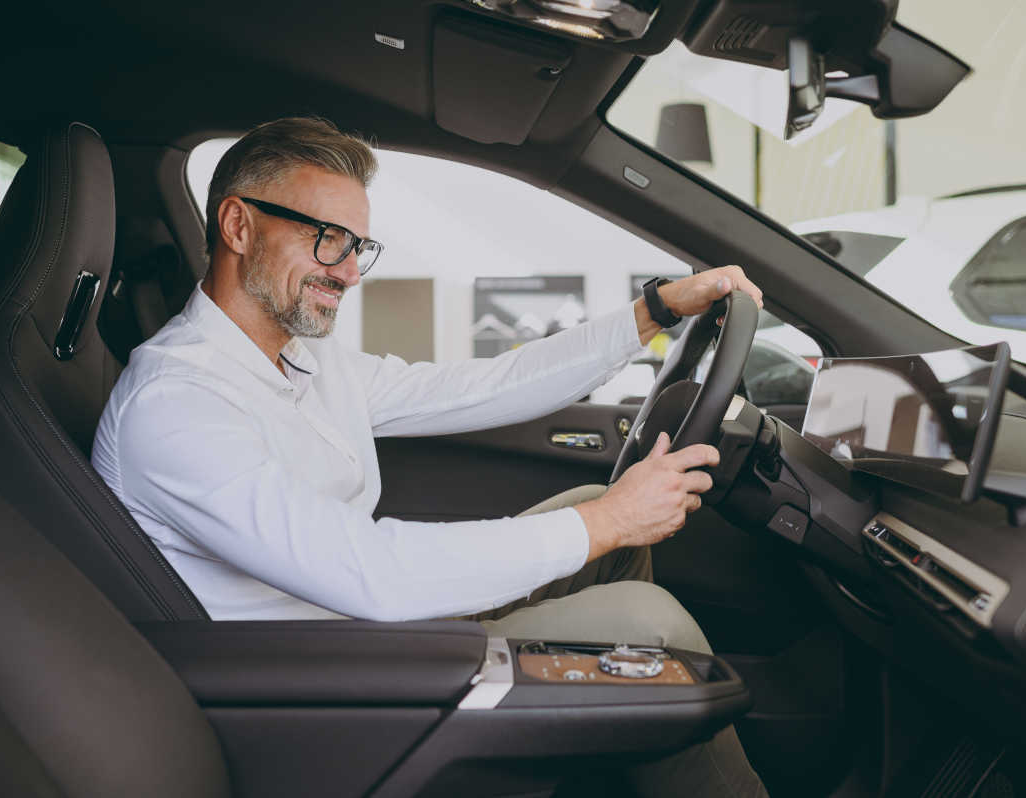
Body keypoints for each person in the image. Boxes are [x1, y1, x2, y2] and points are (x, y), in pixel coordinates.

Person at [92, 116, 768, 797]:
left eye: (357, 245)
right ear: (238, 227)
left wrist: (650, 313)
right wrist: (610, 521)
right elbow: (369, 571)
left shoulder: (303, 357)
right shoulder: (176, 403)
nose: (350, 271)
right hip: (341, 694)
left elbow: (479, 387)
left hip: (384, 635)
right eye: (327, 239)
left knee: (601, 532)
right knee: (654, 631)